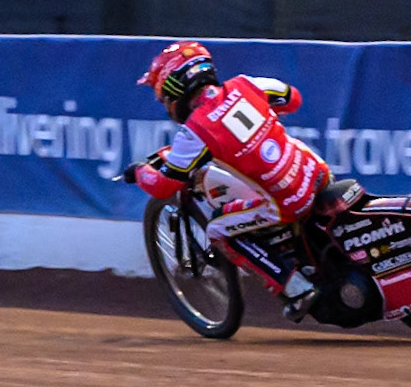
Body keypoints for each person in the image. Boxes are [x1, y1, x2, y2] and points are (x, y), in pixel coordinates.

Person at [126, 42, 330, 319]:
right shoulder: (247, 84)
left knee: (218, 229)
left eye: (162, 96)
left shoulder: (195, 131)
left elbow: (164, 186)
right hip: (316, 171)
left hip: (286, 203)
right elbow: (292, 99)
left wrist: (139, 172)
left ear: (174, 89)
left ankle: (296, 288)